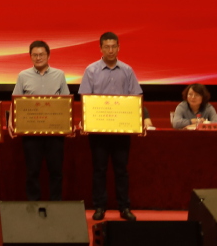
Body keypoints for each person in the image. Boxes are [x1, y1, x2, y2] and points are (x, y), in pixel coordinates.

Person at [78, 32, 141, 222]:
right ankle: (99, 207)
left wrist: (138, 121)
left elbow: (135, 97)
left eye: (114, 46)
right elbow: (85, 98)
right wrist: (86, 121)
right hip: (98, 131)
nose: (111, 50)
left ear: (119, 47)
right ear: (101, 48)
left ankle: (124, 207)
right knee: (99, 169)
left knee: (121, 170)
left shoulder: (127, 70)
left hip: (121, 130)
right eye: (107, 47)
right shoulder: (91, 70)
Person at [9, 40, 70, 202]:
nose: (38, 58)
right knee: (32, 171)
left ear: (48, 55)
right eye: (35, 55)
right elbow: (15, 101)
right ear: (30, 56)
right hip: (31, 132)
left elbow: (66, 102)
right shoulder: (23, 76)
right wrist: (11, 121)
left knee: (56, 171)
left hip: (55, 132)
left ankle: (56, 204)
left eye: (41, 54)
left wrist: (68, 125)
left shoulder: (59, 75)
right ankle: (33, 205)